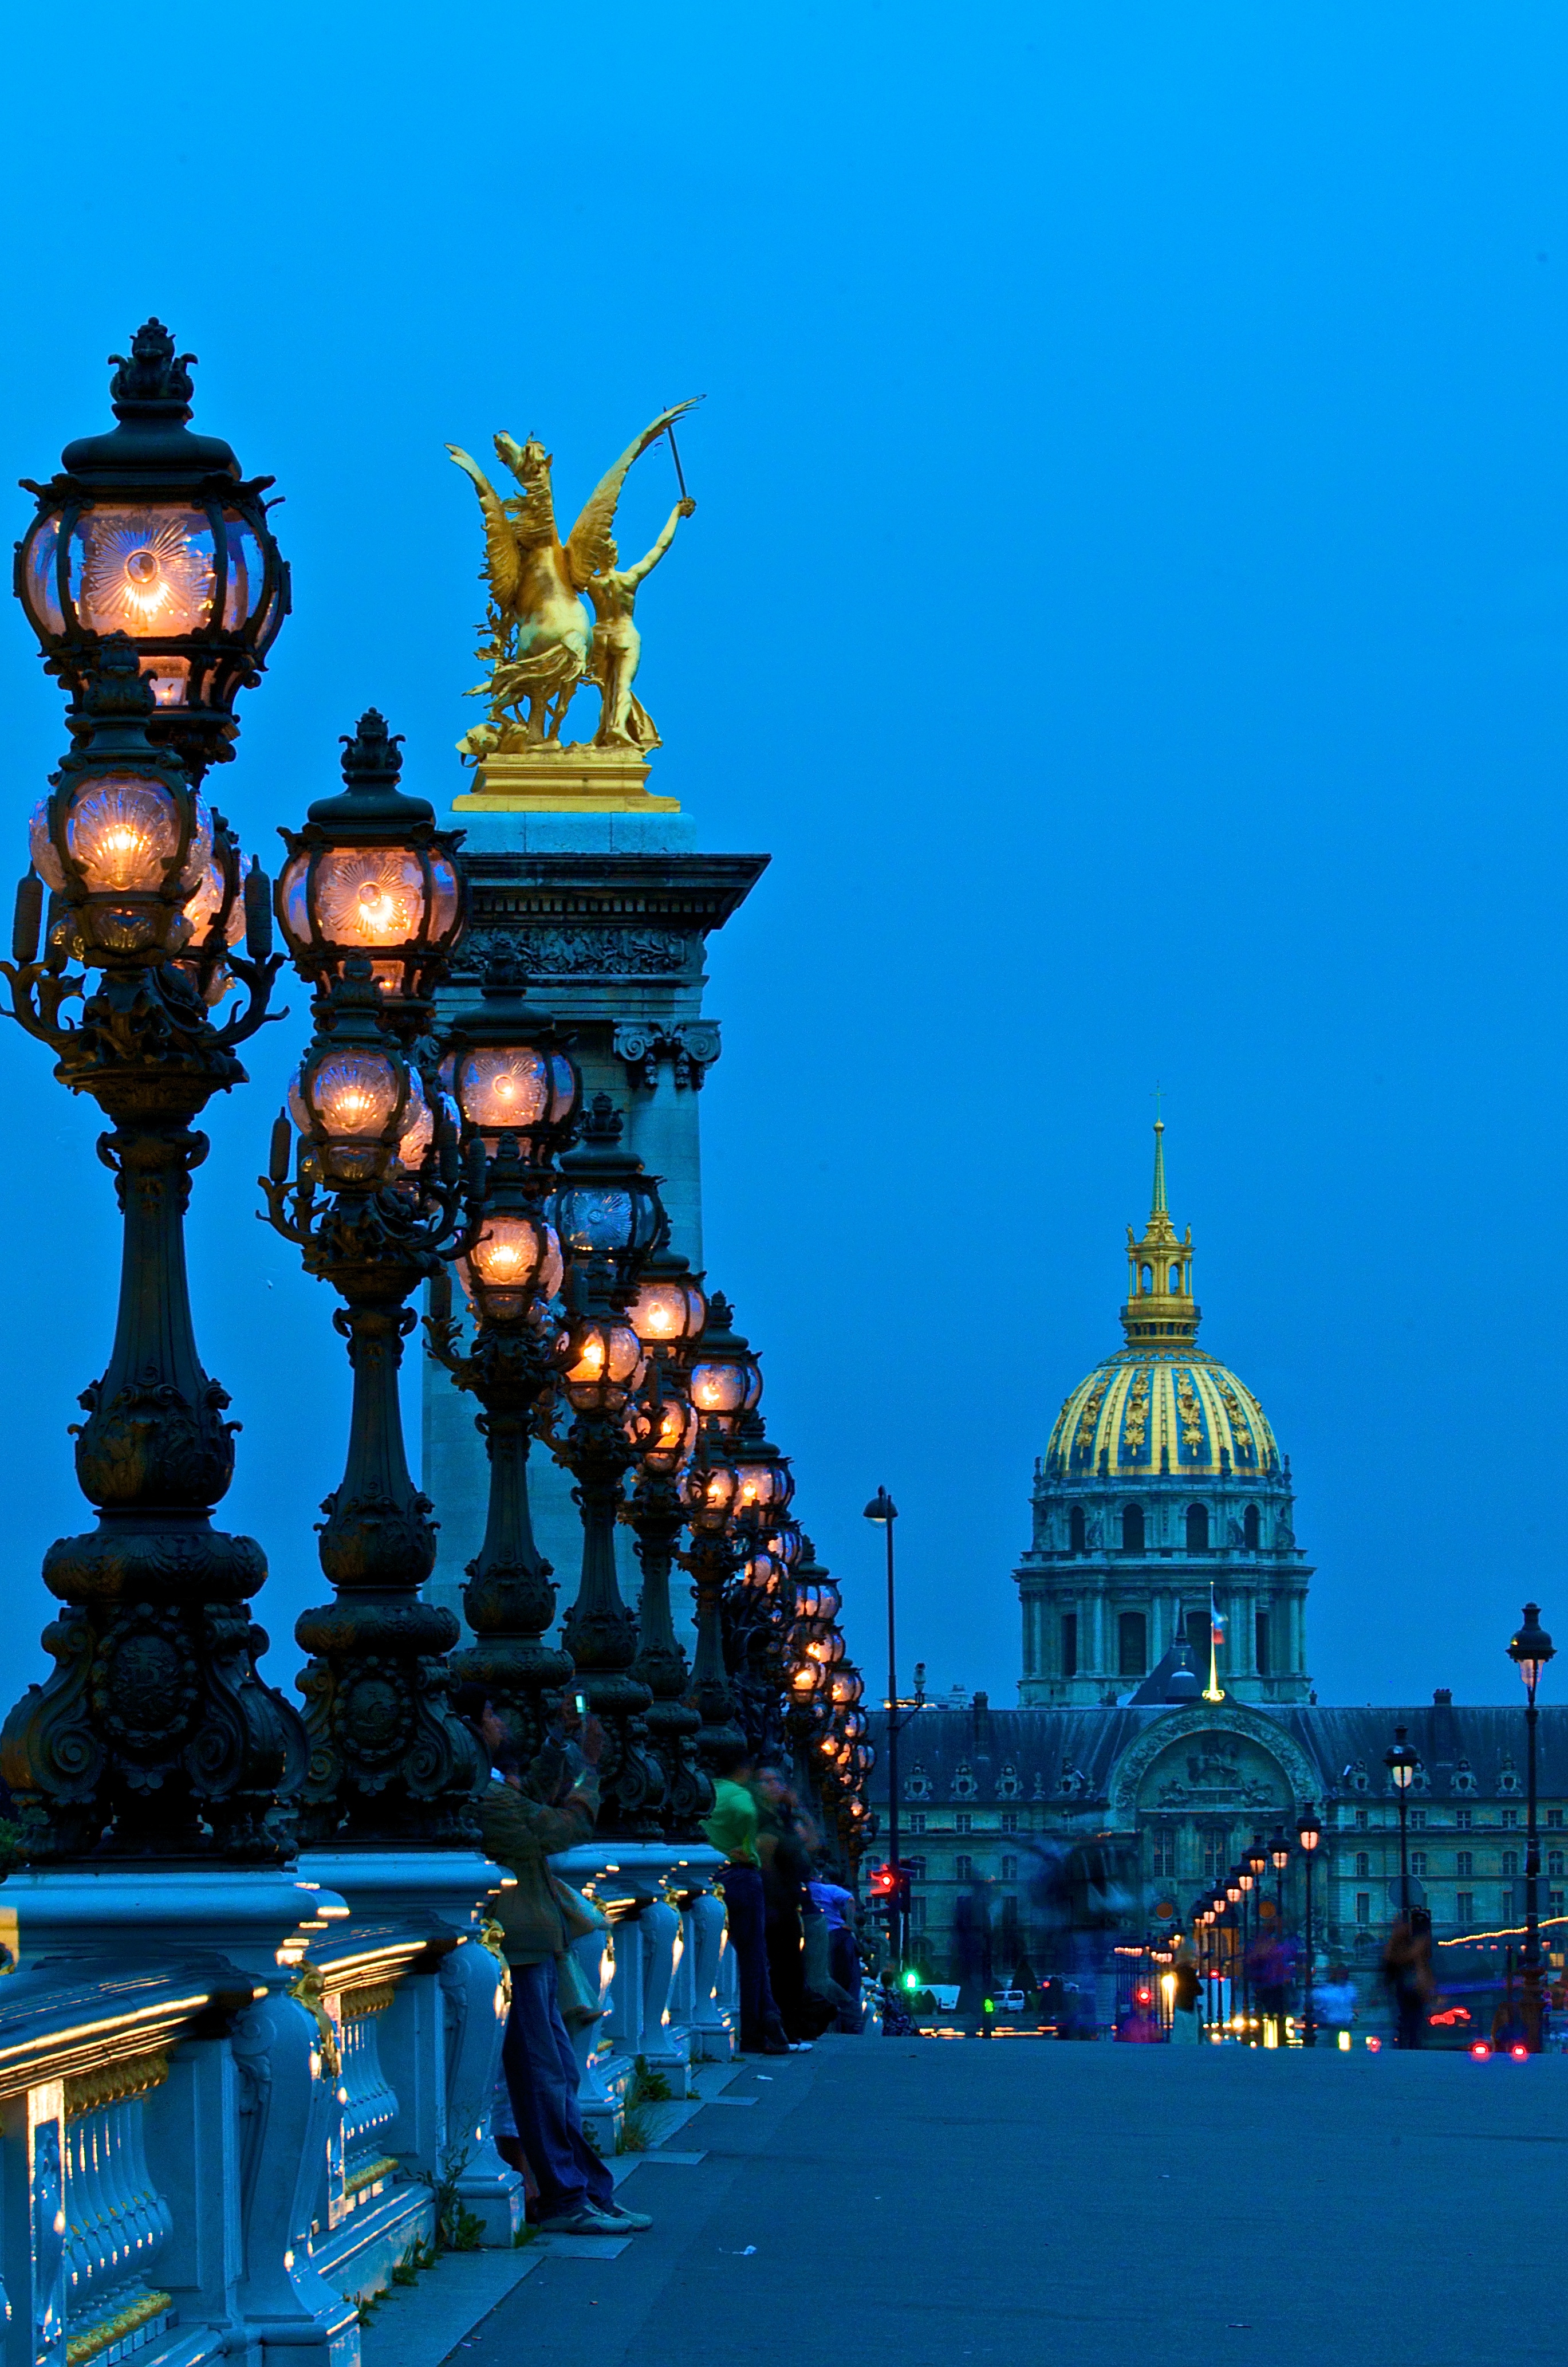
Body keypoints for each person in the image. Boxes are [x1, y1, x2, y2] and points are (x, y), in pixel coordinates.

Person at [464, 1692, 652, 2238]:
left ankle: (584, 2190)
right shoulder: (492, 1799)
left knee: (557, 2073)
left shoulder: (494, 1791)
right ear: (475, 1727)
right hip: (520, 1948)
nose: (499, 1719)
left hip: (532, 1944)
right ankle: (568, 2195)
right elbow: (559, 1829)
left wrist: (561, 1744)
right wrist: (589, 1770)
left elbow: (542, 1805)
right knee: (545, 2076)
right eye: (491, 1713)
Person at [702, 1740, 789, 2054]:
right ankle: (756, 2031)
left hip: (712, 1877)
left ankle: (767, 2022)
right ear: (745, 1769)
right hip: (743, 1875)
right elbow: (748, 1841)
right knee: (753, 1956)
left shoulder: (707, 1792)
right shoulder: (742, 1798)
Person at [1381, 1911, 1434, 2050]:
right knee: (1407, 2021)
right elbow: (1397, 1961)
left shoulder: (1408, 1944)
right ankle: (1408, 2044)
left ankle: (1410, 2044)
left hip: (1412, 1991)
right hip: (1404, 1990)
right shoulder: (1401, 1946)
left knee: (1412, 2022)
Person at [1315, 1963, 1358, 2042]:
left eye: (1343, 1974)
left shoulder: (1350, 1988)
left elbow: (1354, 2002)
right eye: (1340, 1974)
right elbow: (1319, 1998)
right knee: (1333, 2046)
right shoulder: (1329, 1989)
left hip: (1346, 2025)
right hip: (1333, 2024)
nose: (1342, 1976)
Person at [1170, 1953, 1203, 2043]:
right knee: (1190, 2032)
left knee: (1180, 2032)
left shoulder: (1178, 1972)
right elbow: (1199, 1990)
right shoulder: (1188, 1972)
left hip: (1180, 2005)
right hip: (1188, 2007)